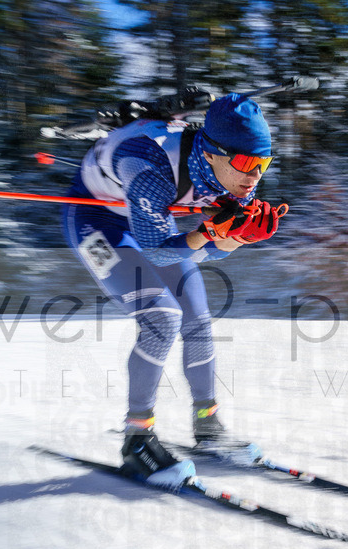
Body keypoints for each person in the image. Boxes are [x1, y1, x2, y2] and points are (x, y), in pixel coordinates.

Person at [62, 93, 284, 486]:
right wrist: (210, 232)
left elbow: (209, 252)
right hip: (97, 222)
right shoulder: (146, 162)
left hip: (151, 223)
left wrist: (237, 238)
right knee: (161, 317)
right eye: (248, 164)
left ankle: (207, 425)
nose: (254, 177)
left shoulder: (237, 175)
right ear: (213, 153)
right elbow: (160, 254)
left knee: (197, 315)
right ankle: (137, 438)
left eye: (263, 164)